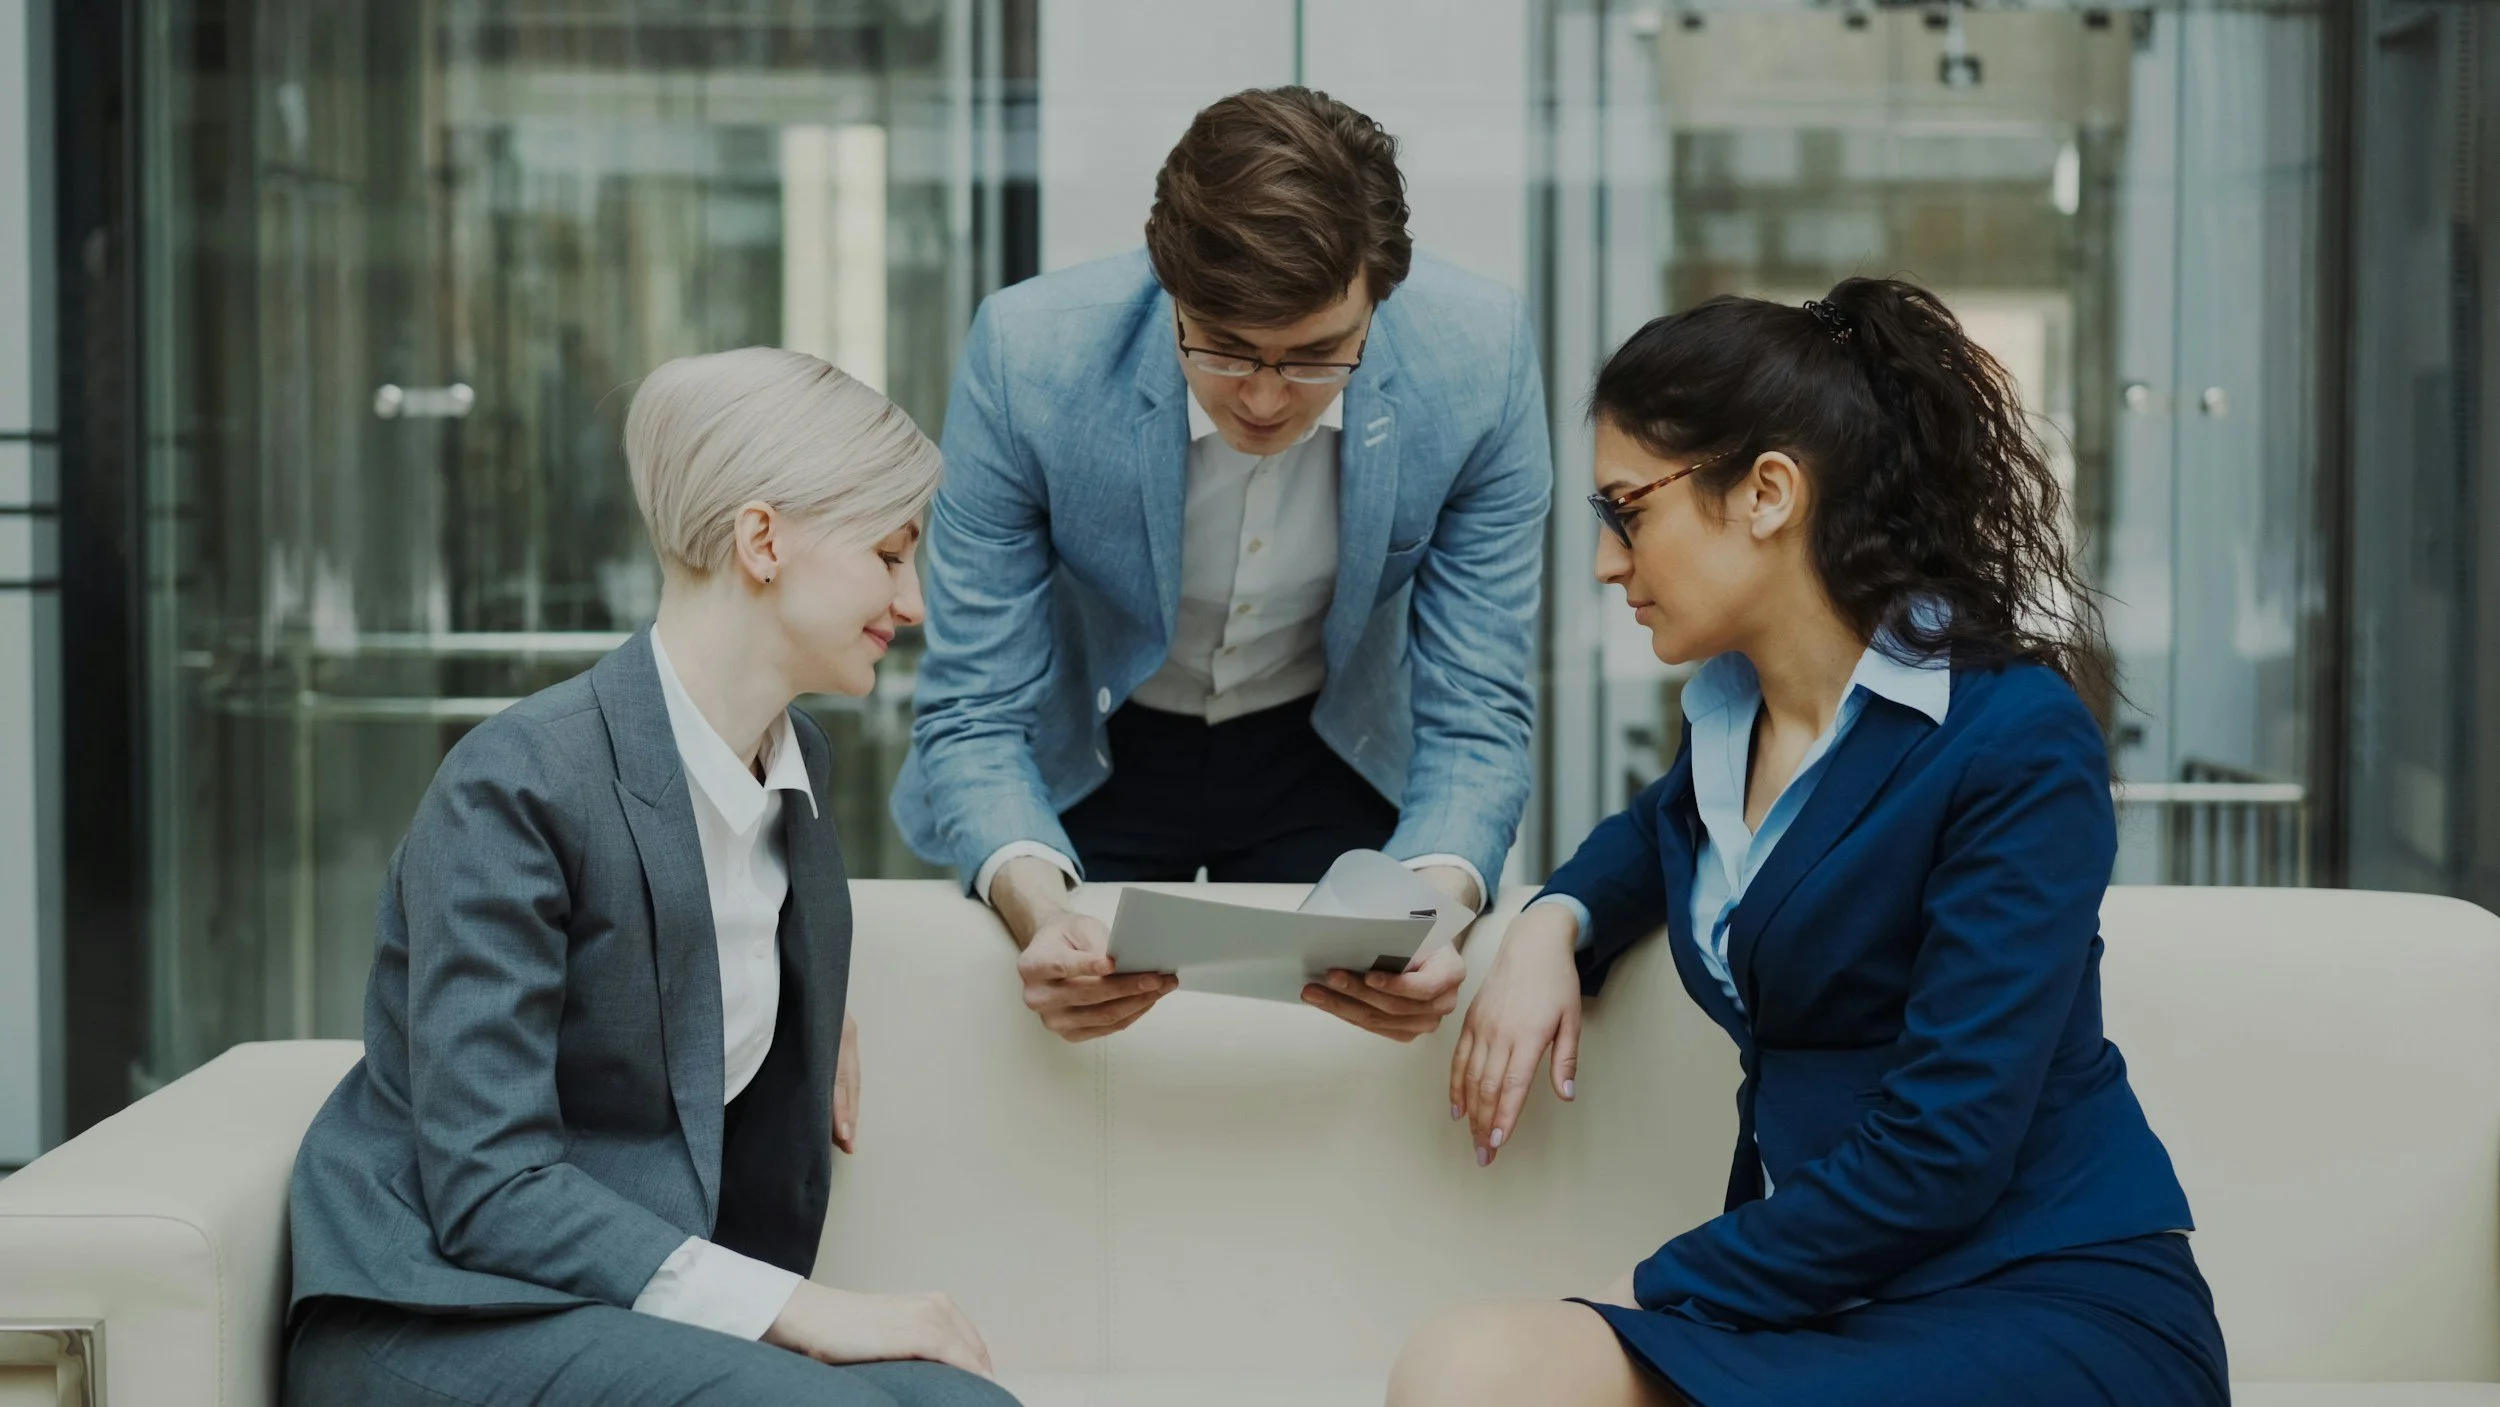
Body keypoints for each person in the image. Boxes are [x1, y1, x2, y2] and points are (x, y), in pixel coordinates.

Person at [1392, 281, 2229, 1406]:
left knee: (1497, 1367)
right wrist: (1552, 922)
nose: (1605, 563)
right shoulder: (1729, 732)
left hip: (2044, 1302)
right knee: (1464, 1372)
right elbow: (1651, 839)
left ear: (1768, 493)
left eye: (1626, 510)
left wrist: (1654, 1285)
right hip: (1825, 1308)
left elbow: (1944, 1148)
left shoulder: (2013, 740)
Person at [284, 349, 1018, 1407]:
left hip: (621, 1313)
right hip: (441, 1308)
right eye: (891, 555)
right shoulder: (519, 781)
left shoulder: (796, 765)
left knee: (969, 1404)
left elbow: (690, 993)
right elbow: (490, 1189)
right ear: (762, 540)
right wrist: (803, 1312)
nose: (913, 605)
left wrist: (803, 995)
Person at [889, 87, 1551, 1045]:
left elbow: (1478, 707)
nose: (1266, 398)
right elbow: (975, 706)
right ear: (1168, 284)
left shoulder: (1477, 364)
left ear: (1380, 299)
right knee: (1055, 1042)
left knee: (1334, 1069)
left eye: (1318, 355)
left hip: (1331, 744)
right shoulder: (1028, 357)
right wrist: (1038, 909)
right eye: (1226, 348)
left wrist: (1429, 911)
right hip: (1092, 749)